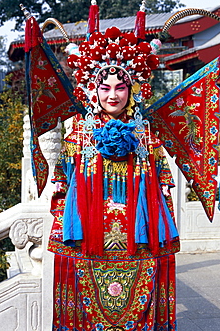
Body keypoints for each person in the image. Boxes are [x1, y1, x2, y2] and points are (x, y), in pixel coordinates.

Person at [47, 26, 180, 331]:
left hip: (138, 237)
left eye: (120, 87)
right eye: (104, 88)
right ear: (93, 90)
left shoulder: (145, 132)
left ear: (132, 90)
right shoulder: (79, 133)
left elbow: (163, 182)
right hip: (87, 237)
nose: (112, 95)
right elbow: (61, 184)